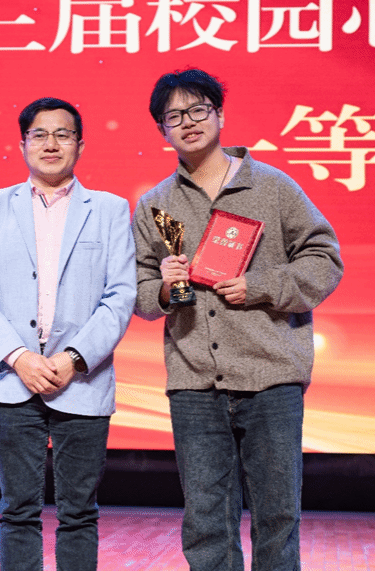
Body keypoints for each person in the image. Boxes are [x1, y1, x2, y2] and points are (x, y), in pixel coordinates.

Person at [131, 69, 343, 571]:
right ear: (162, 130)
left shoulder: (272, 186)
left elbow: (324, 260)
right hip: (194, 383)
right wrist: (164, 289)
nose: (188, 122)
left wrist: (261, 286)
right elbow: (137, 292)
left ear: (220, 115)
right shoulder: (156, 204)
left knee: (277, 517)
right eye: (174, 116)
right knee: (206, 522)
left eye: (198, 109)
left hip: (271, 376)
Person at [0, 97, 136, 571]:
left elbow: (121, 295)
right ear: (23, 144)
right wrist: (18, 357)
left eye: (63, 134)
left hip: (82, 380)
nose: (51, 144)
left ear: (80, 144)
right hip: (12, 380)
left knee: (79, 512)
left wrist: (73, 358)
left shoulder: (110, 209)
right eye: (39, 134)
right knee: (17, 510)